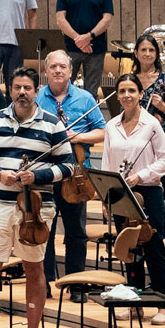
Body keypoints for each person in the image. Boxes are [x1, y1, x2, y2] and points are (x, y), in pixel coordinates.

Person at [0, 67, 71, 328]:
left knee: (33, 266)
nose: (22, 93)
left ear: (37, 91)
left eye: (27, 87)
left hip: (35, 208)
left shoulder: (52, 124)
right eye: (17, 87)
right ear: (10, 90)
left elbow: (69, 166)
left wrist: (36, 177)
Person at [100, 74, 165, 321]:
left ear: (141, 94)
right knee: (128, 248)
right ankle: (134, 304)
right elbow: (107, 163)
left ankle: (164, 305)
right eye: (122, 91)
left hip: (149, 192)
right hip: (122, 194)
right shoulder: (111, 126)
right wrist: (106, 198)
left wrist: (141, 176)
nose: (126, 95)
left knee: (153, 247)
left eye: (132, 90)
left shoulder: (152, 124)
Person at [35, 50, 107, 278]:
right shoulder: (37, 98)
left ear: (70, 71)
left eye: (62, 67)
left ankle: (76, 284)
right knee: (45, 231)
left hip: (76, 177)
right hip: (46, 174)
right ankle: (44, 283)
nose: (57, 70)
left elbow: (103, 132)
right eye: (53, 66)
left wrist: (77, 137)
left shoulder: (85, 97)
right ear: (46, 71)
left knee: (76, 232)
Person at [54, 0, 114, 93]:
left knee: (91, 91)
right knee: (64, 88)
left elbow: (107, 19)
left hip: (96, 48)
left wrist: (89, 37)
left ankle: (87, 115)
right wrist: (78, 39)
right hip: (71, 47)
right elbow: (60, 19)